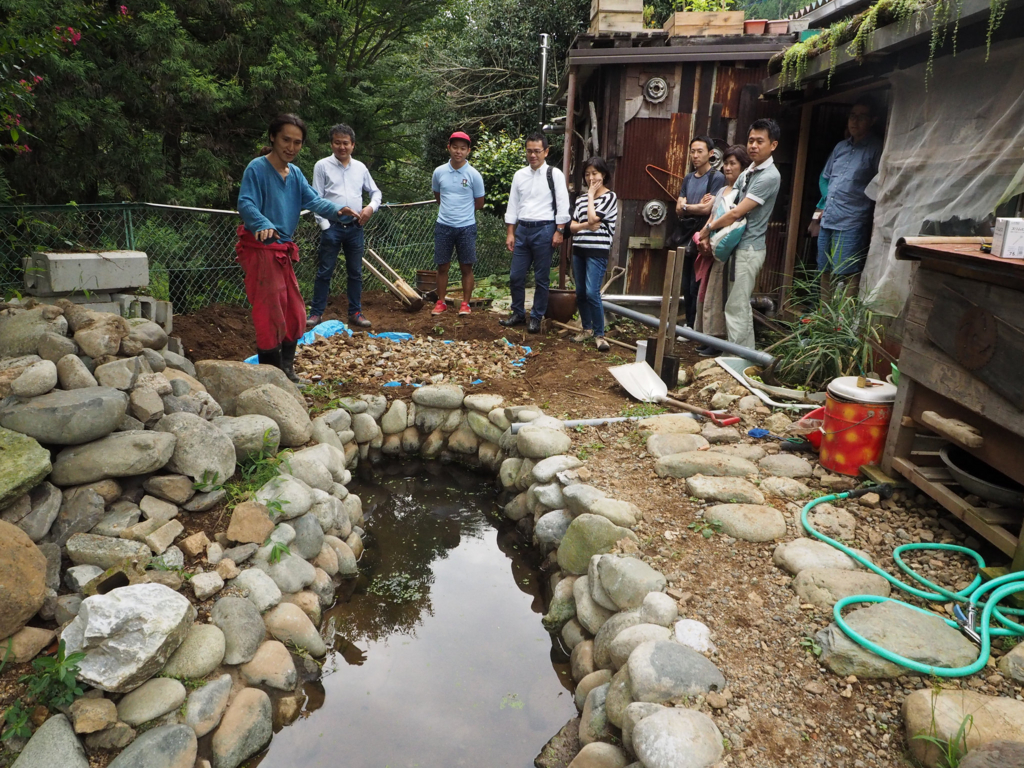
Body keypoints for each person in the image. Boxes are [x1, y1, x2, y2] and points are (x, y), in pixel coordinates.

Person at [236, 114, 351, 382]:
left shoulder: (295, 173)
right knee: (269, 313)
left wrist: (339, 211)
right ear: (273, 137)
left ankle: (286, 369)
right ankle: (272, 374)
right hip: (261, 250)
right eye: (286, 140)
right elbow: (246, 203)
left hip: (281, 251)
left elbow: (314, 201)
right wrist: (262, 222)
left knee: (295, 312)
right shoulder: (257, 169)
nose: (291, 147)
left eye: (297, 142)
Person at [700, 118, 782, 350]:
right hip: (738, 247)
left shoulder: (769, 176)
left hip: (750, 249)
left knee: (737, 306)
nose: (753, 146)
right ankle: (740, 354)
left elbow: (736, 212)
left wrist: (707, 230)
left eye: (760, 141)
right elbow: (727, 200)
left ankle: (740, 357)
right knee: (735, 305)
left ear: (773, 145)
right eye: (750, 140)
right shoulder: (750, 171)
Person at [306, 123, 382, 329]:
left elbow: (376, 192)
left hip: (356, 227)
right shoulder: (322, 166)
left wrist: (370, 208)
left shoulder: (360, 168)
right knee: (325, 271)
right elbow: (315, 198)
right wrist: (325, 226)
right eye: (337, 143)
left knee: (355, 272)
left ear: (353, 145)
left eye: (346, 143)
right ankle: (316, 314)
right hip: (332, 226)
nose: (342, 147)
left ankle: (355, 312)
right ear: (331, 144)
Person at [501, 132, 571, 334]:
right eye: (529, 151)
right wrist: (510, 232)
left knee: (542, 277)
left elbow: (563, 204)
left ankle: (536, 316)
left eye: (537, 151)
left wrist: (559, 231)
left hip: (545, 229)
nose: (533, 155)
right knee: (516, 275)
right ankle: (517, 313)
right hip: (523, 229)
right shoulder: (519, 175)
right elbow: (513, 204)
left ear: (546, 152)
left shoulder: (554, 174)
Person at [812, 96, 882, 295]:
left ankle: (842, 322)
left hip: (852, 220)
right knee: (824, 268)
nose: (854, 121)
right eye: (852, 116)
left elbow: (882, 183)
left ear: (873, 120)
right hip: (828, 218)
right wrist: (826, 202)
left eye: (861, 117)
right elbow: (824, 177)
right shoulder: (840, 147)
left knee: (848, 271)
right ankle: (824, 317)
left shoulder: (875, 148)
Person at [693, 145, 751, 357]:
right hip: (710, 245)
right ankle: (705, 335)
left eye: (732, 163)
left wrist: (710, 236)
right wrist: (703, 237)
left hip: (724, 249)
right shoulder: (721, 191)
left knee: (717, 295)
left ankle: (716, 339)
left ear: (743, 166)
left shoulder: (740, 192)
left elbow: (731, 220)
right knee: (704, 294)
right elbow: (712, 217)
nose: (727, 168)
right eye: (726, 163)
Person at [431, 131, 485, 316]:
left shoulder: (474, 175)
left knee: (466, 266)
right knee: (442, 266)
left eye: (463, 148)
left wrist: (463, 215)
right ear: (449, 148)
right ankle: (440, 302)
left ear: (468, 151)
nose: (458, 152)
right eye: (455, 147)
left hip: (466, 226)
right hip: (443, 225)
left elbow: (480, 202)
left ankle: (465, 304)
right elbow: (438, 196)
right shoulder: (439, 172)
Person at [675, 136, 725, 328]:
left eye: (700, 151)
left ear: (711, 154)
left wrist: (687, 205)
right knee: (686, 283)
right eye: (693, 151)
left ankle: (697, 326)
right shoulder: (689, 178)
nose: (695, 156)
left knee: (698, 285)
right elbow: (678, 208)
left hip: (704, 236)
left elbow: (707, 210)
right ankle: (689, 324)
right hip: (687, 235)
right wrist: (690, 206)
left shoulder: (716, 178)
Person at [569, 156, 618, 352]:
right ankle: (586, 329)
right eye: (587, 174)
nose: (591, 178)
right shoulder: (579, 199)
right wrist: (586, 226)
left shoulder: (610, 197)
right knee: (580, 292)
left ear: (603, 175)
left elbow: (593, 217)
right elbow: (572, 227)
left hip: (597, 251)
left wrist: (590, 196)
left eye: (595, 174)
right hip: (579, 249)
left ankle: (600, 335)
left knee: (592, 292)